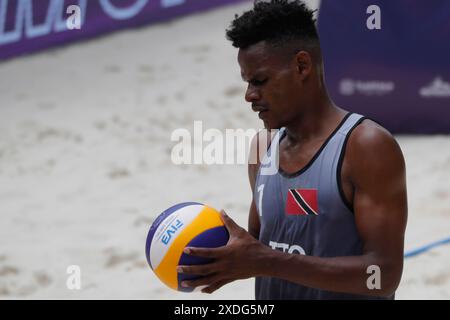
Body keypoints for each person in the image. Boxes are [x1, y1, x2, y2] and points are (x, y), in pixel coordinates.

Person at [176, 0, 408, 299]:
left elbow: (383, 276)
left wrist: (268, 261)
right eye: (247, 82)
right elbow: (261, 250)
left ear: (302, 66)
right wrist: (219, 256)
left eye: (259, 80)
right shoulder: (263, 147)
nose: (249, 95)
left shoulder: (366, 147)